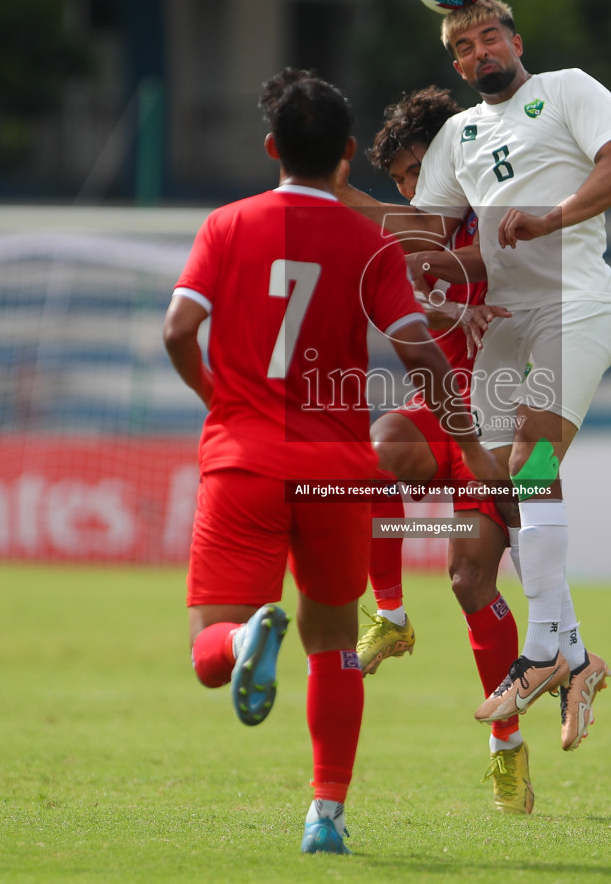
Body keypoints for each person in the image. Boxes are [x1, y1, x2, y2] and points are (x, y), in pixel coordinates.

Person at [163, 69, 499, 855]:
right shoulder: (368, 240)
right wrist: (474, 445)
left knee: (210, 650)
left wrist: (218, 396)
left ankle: (243, 644)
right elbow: (419, 352)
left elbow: (180, 328)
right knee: (336, 645)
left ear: (272, 147)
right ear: (349, 155)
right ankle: (326, 815)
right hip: (337, 469)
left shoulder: (226, 225)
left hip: (243, 457)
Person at [383, 0, 611, 751]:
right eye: (464, 45)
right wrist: (337, 203)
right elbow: (425, 235)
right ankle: (574, 655)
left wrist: (552, 216)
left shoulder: (566, 89)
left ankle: (539, 650)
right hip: (505, 322)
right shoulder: (460, 136)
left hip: (574, 303)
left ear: (515, 41)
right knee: (503, 483)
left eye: (489, 35)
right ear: (456, 64)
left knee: (532, 455)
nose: (479, 49)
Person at [337, 86, 533, 813]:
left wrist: (342, 188)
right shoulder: (419, 234)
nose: (413, 191)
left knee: (471, 581)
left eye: (419, 170)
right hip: (443, 413)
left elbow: (505, 258)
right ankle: (388, 613)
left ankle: (507, 746)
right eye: (401, 182)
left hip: (515, 419)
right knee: (376, 450)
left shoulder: (500, 210)